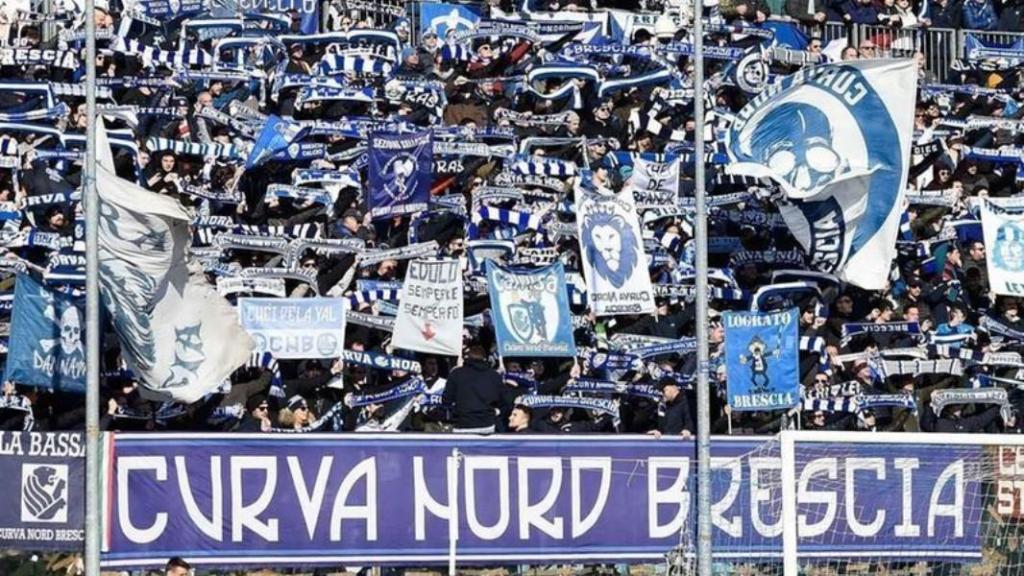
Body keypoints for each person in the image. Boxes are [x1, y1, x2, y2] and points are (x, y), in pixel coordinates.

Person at [442, 345, 507, 433]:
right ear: (485, 359)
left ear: (467, 358)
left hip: (462, 424)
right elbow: (504, 402)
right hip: (487, 425)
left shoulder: (456, 374)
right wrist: (495, 412)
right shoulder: (494, 376)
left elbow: (446, 400)